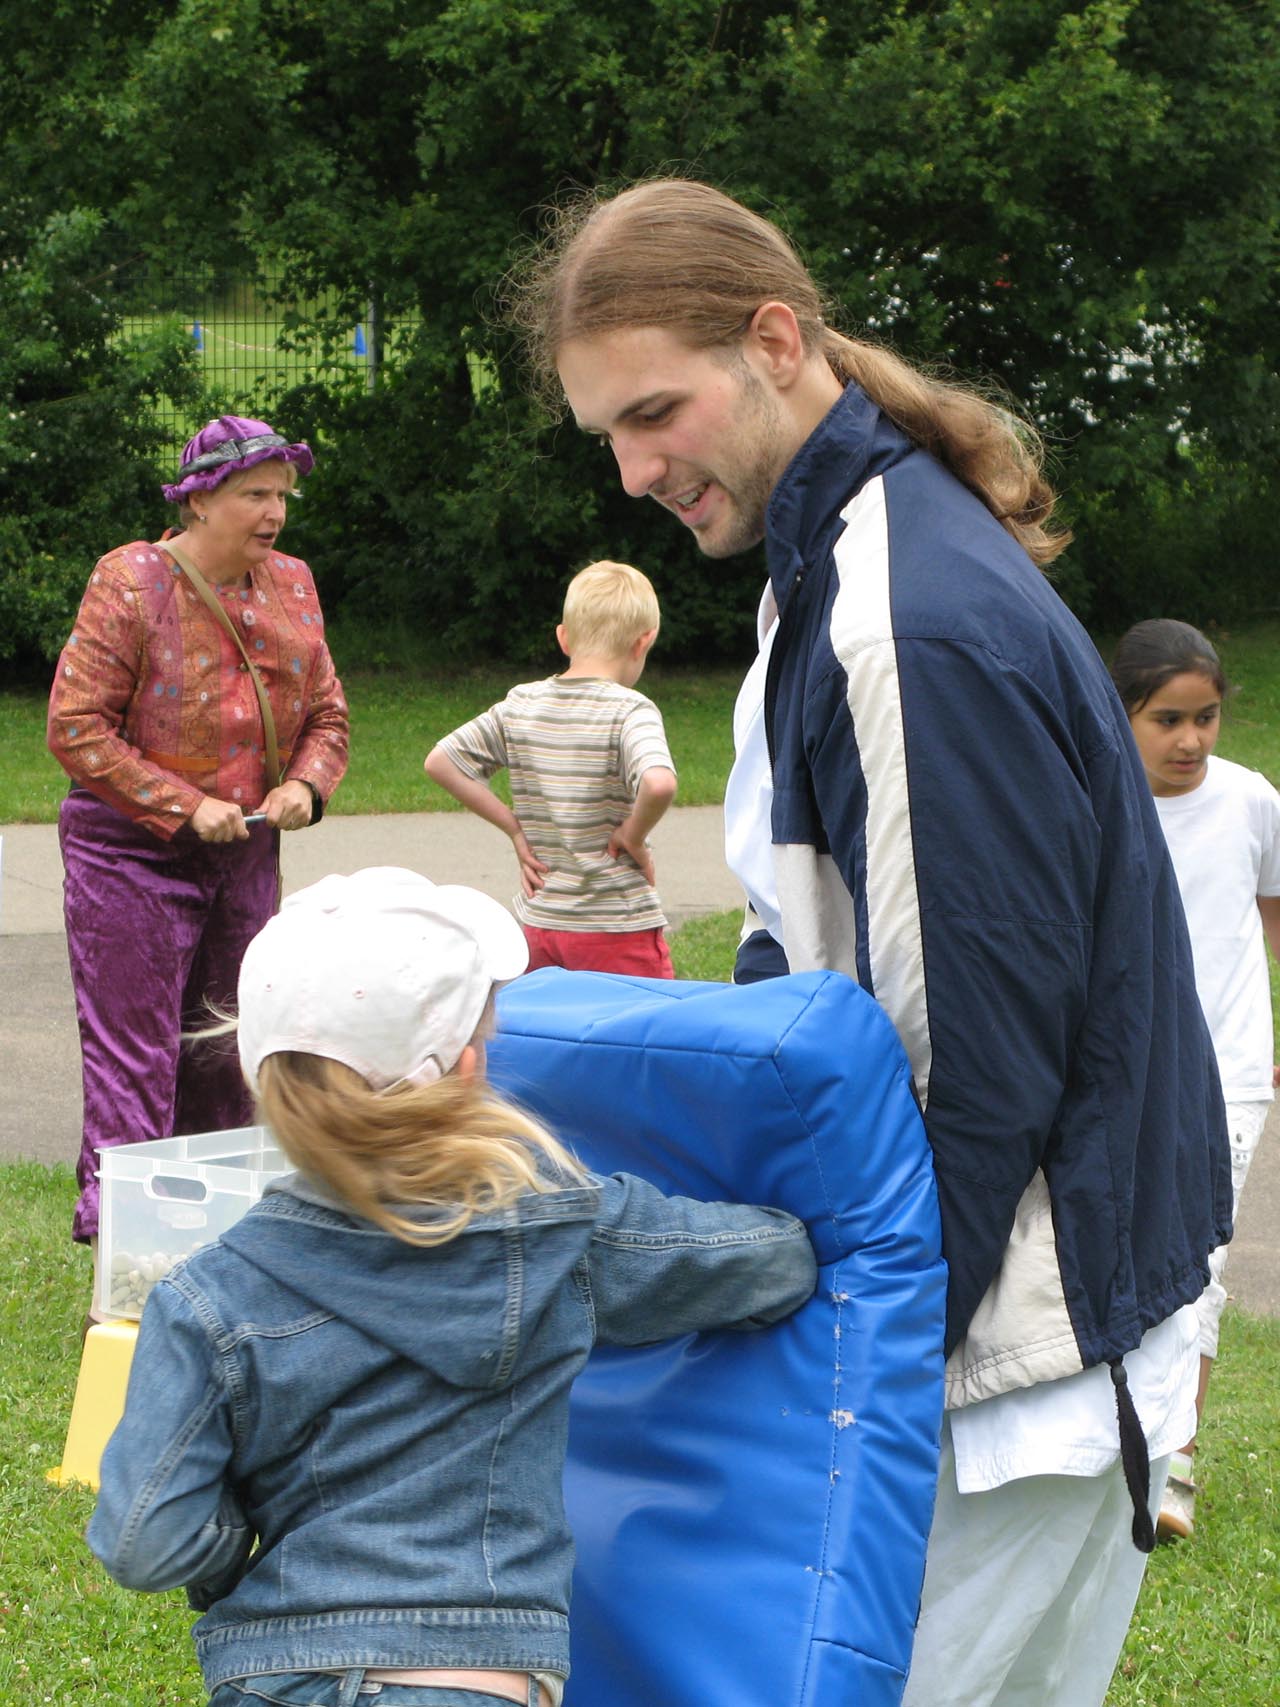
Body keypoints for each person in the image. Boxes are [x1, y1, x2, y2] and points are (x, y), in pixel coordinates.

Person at [508, 177, 1231, 1706]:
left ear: (775, 341)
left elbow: (968, 1064)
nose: (634, 470)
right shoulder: (841, 556)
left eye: (656, 411)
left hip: (1001, 1374)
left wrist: (841, 1383)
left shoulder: (898, 617)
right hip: (1008, 1354)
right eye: (607, 434)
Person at [86, 866, 817, 1707]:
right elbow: (771, 1261)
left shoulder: (203, 1296)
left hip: (273, 1676)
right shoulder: (560, 1232)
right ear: (468, 1068)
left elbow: (142, 1539)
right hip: (469, 1678)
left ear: (263, 1072)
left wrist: (238, 1530)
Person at [47, 414, 349, 1317]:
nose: (275, 513)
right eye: (256, 494)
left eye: (282, 496)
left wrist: (304, 784)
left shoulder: (293, 583)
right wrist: (183, 804)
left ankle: (221, 1266)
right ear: (201, 499)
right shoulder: (131, 579)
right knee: (136, 1065)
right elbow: (74, 726)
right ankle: (126, 1285)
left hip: (245, 857)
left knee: (229, 1053)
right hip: (127, 857)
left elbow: (328, 713)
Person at [1111, 618, 1280, 1541]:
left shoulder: (1252, 801)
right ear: (1123, 713)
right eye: (1168, 719)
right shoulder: (1098, 796)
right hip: (1128, 1068)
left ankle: (1175, 1462)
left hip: (1232, 1071)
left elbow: (1271, 914)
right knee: (1128, 1247)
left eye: (1205, 717)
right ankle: (1118, 1436)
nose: (1190, 740)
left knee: (1202, 1263)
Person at [424, 559, 678, 976]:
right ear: (643, 642)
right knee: (642, 1019)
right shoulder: (631, 710)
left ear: (563, 638)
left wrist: (514, 828)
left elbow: (441, 762)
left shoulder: (522, 703)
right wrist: (632, 835)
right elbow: (659, 783)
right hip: (616, 926)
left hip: (539, 924)